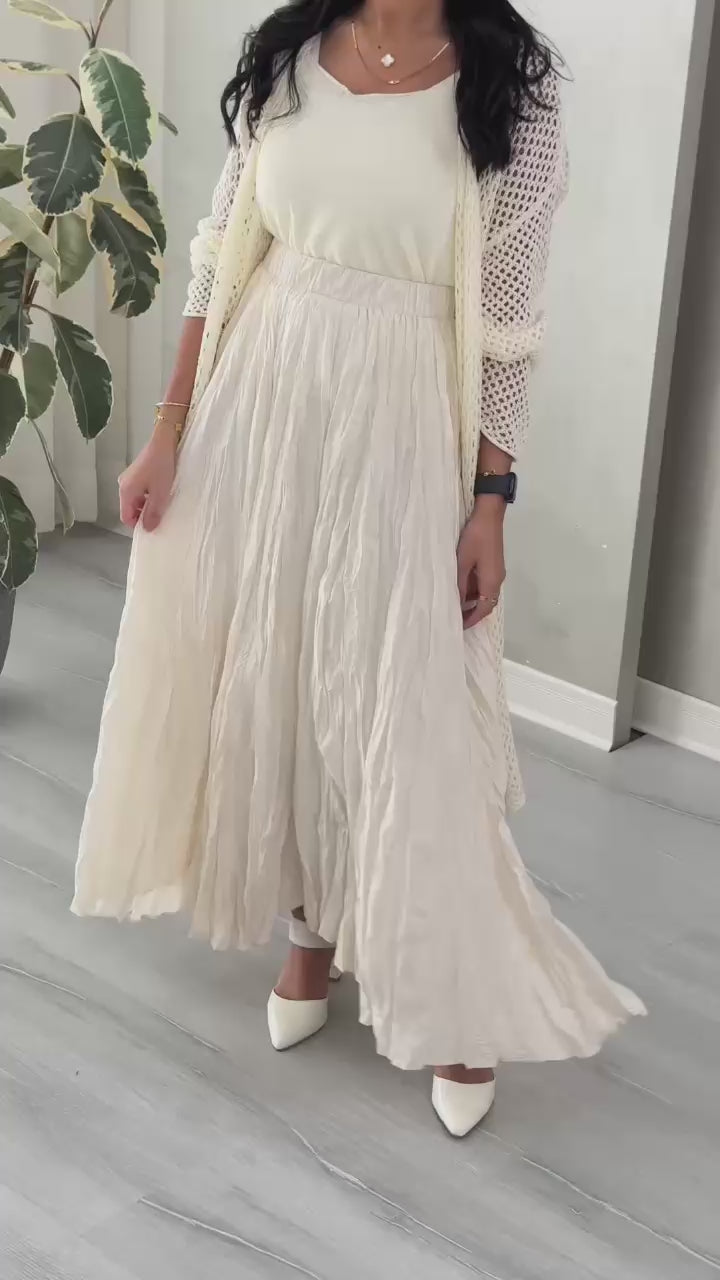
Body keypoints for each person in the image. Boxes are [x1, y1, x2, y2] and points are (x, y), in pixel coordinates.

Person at [73, 0, 645, 1137]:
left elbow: (512, 322)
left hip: (405, 412)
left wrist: (491, 501)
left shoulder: (509, 89)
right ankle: (310, 930)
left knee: (404, 701)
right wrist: (167, 430)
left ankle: (457, 990)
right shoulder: (288, 54)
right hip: (265, 394)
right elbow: (223, 250)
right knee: (282, 670)